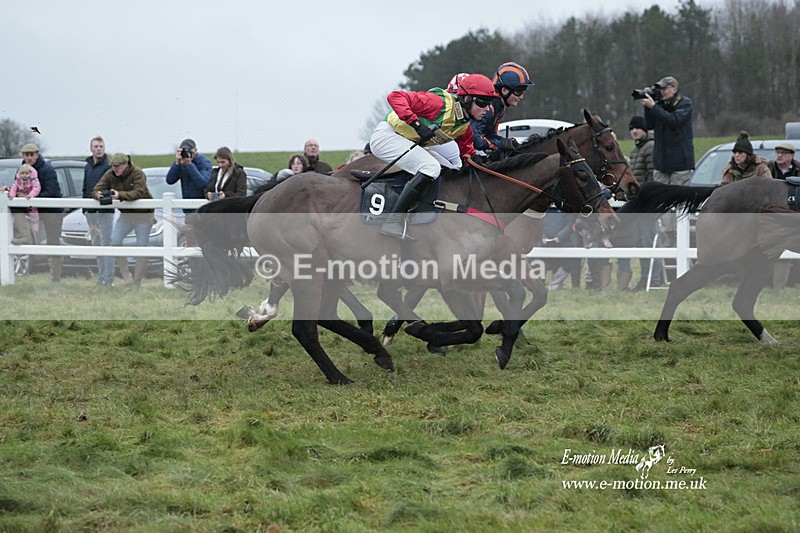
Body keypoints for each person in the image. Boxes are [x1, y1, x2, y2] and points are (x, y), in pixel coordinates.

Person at [369, 73, 497, 240]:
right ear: (466, 100)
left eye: (489, 103)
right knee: (431, 167)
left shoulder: (464, 128)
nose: (487, 109)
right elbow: (395, 96)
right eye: (483, 102)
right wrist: (417, 124)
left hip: (406, 140)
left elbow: (467, 155)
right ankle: (393, 221)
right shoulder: (439, 103)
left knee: (452, 169)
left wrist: (481, 161)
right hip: (387, 136)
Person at [93, 153, 154, 286]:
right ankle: (126, 275)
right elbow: (97, 188)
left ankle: (136, 283)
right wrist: (98, 194)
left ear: (126, 164)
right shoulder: (110, 174)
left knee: (142, 247)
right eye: (113, 166)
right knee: (115, 241)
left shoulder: (138, 173)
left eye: (118, 166)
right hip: (126, 215)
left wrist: (119, 195)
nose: (115, 169)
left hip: (144, 216)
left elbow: (139, 192)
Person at [626, 115, 662, 291]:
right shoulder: (635, 151)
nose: (634, 131)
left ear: (645, 130)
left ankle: (654, 279)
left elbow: (652, 176)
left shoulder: (650, 147)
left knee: (649, 241)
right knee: (641, 242)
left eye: (638, 128)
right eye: (632, 128)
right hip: (638, 203)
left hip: (648, 204)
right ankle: (646, 278)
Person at [20, 143, 64, 281]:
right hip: (31, 212)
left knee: (53, 242)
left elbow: (52, 192)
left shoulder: (47, 170)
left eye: (31, 155)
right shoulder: (22, 170)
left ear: (37, 154)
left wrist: (31, 198)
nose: (29, 158)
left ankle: (55, 276)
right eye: (26, 155)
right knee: (29, 238)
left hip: (51, 212)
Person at [641, 76, 695, 186]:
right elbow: (649, 125)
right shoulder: (660, 105)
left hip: (680, 165)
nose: (662, 92)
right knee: (661, 199)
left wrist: (654, 107)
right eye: (660, 89)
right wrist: (648, 107)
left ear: (674, 89)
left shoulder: (685, 103)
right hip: (662, 164)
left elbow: (675, 120)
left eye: (665, 89)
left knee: (678, 198)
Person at [471, 62, 534, 155]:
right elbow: (476, 140)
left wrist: (509, 143)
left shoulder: (500, 105)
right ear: (504, 90)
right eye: (518, 92)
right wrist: (502, 144)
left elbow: (491, 135)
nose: (521, 97)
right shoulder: (489, 107)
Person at [82, 135, 114, 286]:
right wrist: (85, 209)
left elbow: (109, 188)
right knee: (96, 244)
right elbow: (85, 187)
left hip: (105, 211)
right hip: (91, 212)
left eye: (101, 146)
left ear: (104, 148)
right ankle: (101, 278)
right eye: (96, 146)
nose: (98, 149)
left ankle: (108, 280)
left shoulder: (108, 166)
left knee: (106, 244)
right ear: (91, 149)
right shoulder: (87, 166)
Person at [166, 138, 212, 212]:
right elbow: (170, 180)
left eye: (190, 151)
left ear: (196, 150)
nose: (188, 154)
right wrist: (177, 163)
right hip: (187, 208)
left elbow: (203, 183)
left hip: (202, 208)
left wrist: (189, 165)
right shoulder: (181, 162)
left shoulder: (204, 162)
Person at [8, 163, 41, 245]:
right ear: (19, 174)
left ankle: (33, 231)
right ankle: (26, 236)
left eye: (26, 173)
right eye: (22, 173)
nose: (24, 175)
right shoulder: (18, 181)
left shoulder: (33, 180)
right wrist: (11, 195)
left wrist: (30, 195)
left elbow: (37, 188)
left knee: (33, 213)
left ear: (30, 173)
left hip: (29, 203)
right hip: (20, 204)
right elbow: (14, 187)